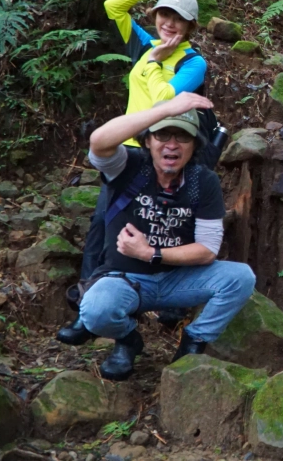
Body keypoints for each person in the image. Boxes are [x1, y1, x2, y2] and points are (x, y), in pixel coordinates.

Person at [58, 0, 208, 345]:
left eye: (177, 19)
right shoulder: (145, 43)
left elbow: (164, 102)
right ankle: (86, 308)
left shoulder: (192, 63)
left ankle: (170, 304)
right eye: (163, 14)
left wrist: (156, 60)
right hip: (126, 154)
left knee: (163, 226)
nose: (168, 23)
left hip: (164, 157)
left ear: (190, 26)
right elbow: (113, 6)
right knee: (101, 225)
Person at [77, 92, 255, 380]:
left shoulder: (202, 181)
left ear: (194, 145)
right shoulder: (128, 166)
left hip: (177, 280)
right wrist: (168, 109)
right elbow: (98, 141)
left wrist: (151, 253)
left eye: (182, 137)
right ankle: (128, 339)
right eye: (162, 135)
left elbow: (208, 249)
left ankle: (193, 341)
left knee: (240, 277)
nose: (172, 145)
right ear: (147, 140)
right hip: (125, 279)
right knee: (96, 310)